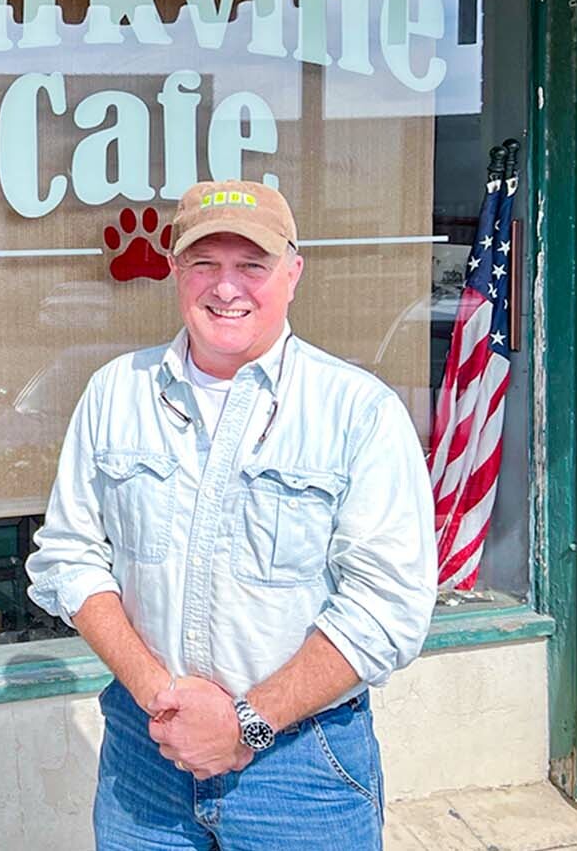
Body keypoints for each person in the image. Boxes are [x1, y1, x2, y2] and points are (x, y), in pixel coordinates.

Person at [25, 180, 435, 851]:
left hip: (301, 772)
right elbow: (68, 555)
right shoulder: (114, 395)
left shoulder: (358, 412)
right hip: (146, 758)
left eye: (253, 264)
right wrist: (160, 694)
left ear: (293, 273)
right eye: (205, 263)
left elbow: (389, 608)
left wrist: (246, 722)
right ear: (175, 271)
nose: (227, 287)